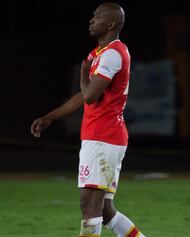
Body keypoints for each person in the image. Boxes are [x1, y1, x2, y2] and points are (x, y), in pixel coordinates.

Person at [31, 3, 145, 237]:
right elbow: (85, 95)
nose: (91, 20)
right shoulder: (98, 53)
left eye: (97, 16)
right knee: (104, 210)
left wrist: (84, 75)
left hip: (104, 137)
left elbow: (90, 96)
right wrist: (50, 117)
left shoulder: (113, 53)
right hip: (102, 136)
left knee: (89, 204)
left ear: (111, 24)